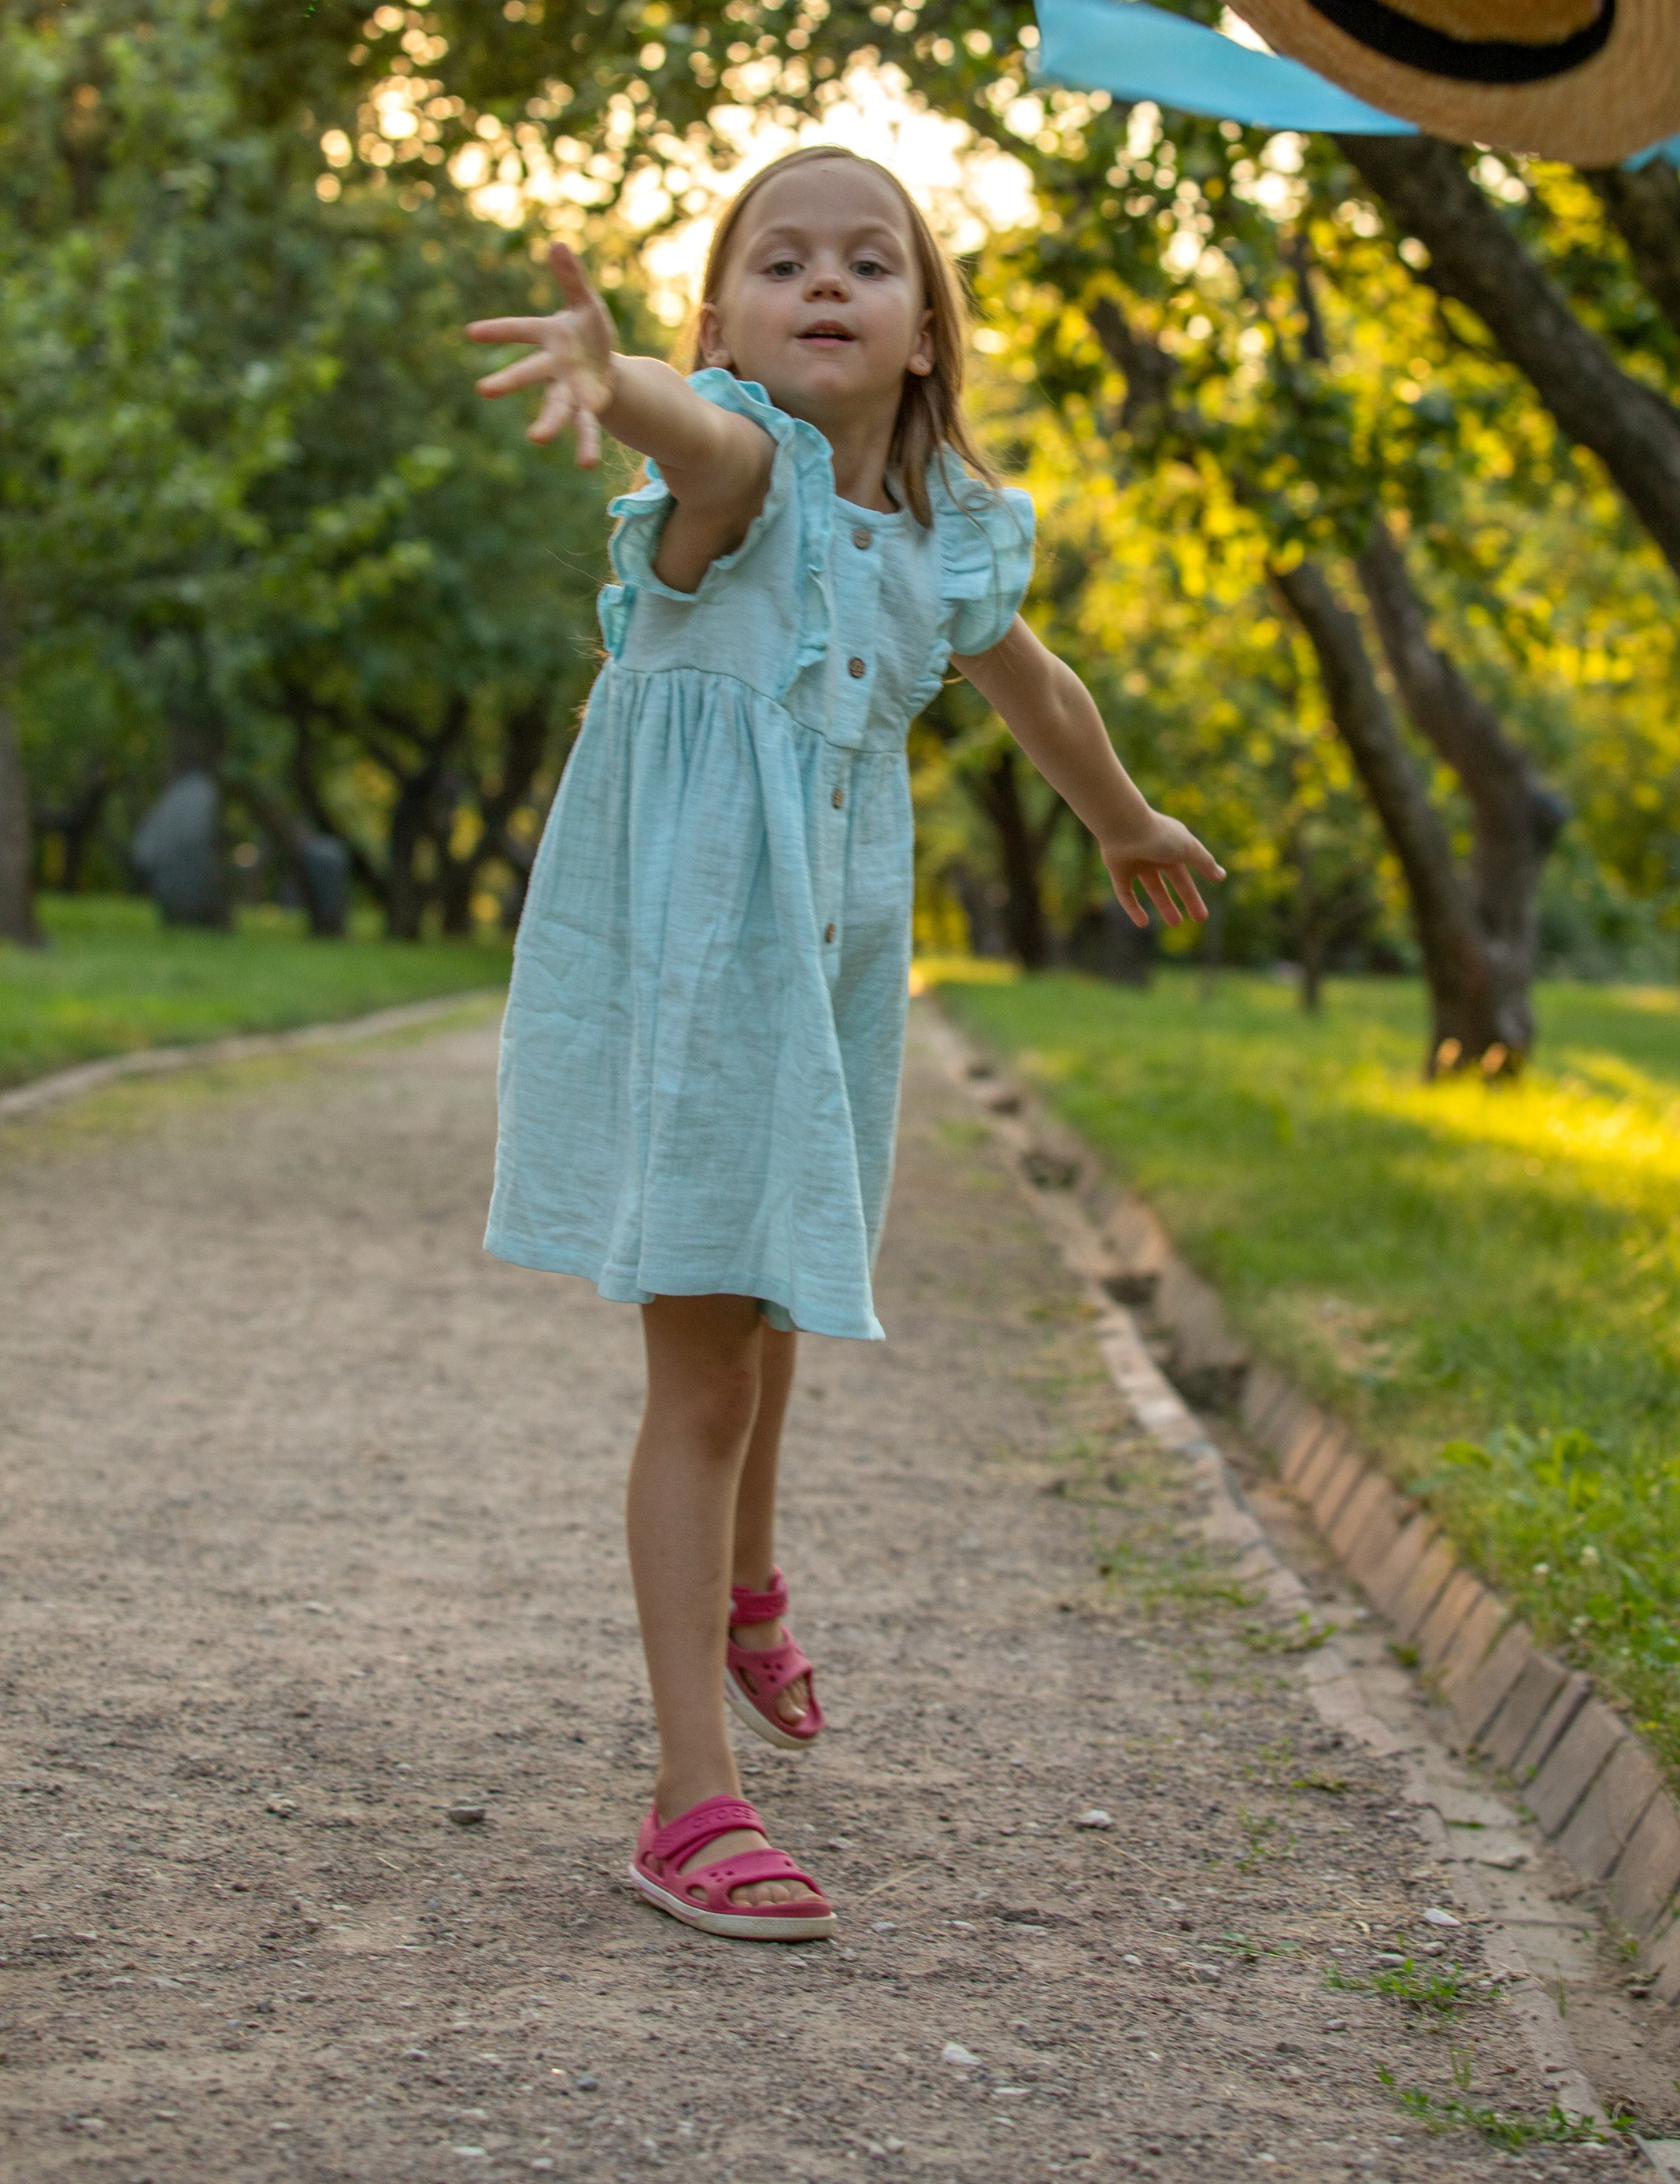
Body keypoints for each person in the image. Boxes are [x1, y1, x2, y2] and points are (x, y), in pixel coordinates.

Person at [466, 145, 1222, 1943]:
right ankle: (684, 1801)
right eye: (778, 261)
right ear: (719, 321)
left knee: (784, 1289)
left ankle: (748, 1590)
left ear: (924, 331)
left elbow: (1031, 679)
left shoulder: (942, 528)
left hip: (819, 949)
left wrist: (1117, 817)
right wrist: (617, 379)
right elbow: (691, 442)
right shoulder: (739, 473)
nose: (824, 282)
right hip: (698, 955)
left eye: (866, 262)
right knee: (707, 1364)